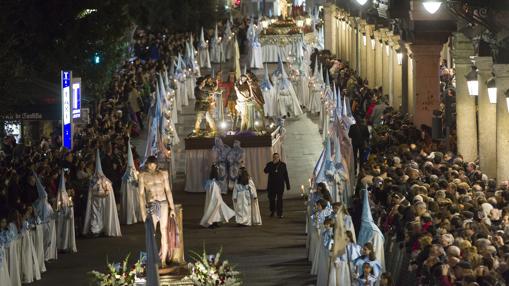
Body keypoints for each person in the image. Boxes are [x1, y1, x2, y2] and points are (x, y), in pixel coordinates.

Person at [138, 155, 177, 267]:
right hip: (152, 203)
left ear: (156, 164)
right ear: (147, 164)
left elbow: (168, 190)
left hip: (163, 202)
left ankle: (163, 260)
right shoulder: (142, 176)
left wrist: (172, 208)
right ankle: (153, 259)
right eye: (150, 163)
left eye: (153, 163)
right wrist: (143, 213)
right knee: (152, 232)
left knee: (164, 230)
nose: (152, 165)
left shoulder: (163, 174)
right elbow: (141, 195)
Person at [82, 150, 122, 237]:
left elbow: (108, 191)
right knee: (95, 215)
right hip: (95, 200)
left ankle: (102, 228)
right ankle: (95, 230)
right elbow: (91, 190)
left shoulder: (105, 180)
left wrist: (105, 193)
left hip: (102, 199)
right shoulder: (93, 180)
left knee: (102, 214)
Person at [264, 153, 290, 218]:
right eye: (274, 157)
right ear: (273, 158)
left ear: (279, 157)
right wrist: (272, 165)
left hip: (280, 186)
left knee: (279, 200)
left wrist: (288, 185)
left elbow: (285, 175)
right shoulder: (269, 164)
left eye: (277, 157)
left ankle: (280, 213)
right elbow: (265, 171)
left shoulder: (283, 165)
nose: (276, 158)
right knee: (271, 199)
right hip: (271, 186)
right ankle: (272, 211)